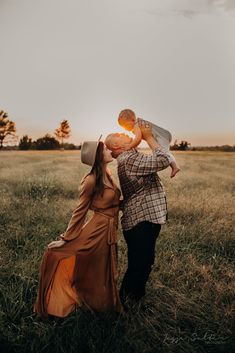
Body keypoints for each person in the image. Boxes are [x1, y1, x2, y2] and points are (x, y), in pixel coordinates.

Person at [34, 139, 123, 318]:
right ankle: (95, 304)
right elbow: (80, 211)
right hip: (97, 231)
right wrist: (66, 239)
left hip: (108, 229)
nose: (109, 150)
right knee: (97, 269)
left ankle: (103, 305)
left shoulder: (107, 174)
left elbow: (112, 204)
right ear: (98, 156)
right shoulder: (91, 181)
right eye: (105, 149)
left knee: (105, 268)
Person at [105, 122, 171, 307]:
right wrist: (149, 137)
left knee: (145, 262)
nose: (124, 133)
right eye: (120, 134)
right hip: (140, 221)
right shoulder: (128, 160)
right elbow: (163, 160)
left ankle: (135, 299)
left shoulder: (131, 155)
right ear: (117, 147)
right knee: (139, 265)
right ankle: (124, 304)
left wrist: (141, 136)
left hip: (144, 219)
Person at [118, 108, 180, 178]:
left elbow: (138, 139)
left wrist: (129, 146)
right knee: (161, 152)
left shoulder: (136, 125)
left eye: (126, 125)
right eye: (123, 127)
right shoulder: (139, 122)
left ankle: (175, 167)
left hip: (161, 136)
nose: (125, 128)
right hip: (163, 135)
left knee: (162, 154)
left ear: (132, 120)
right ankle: (175, 167)